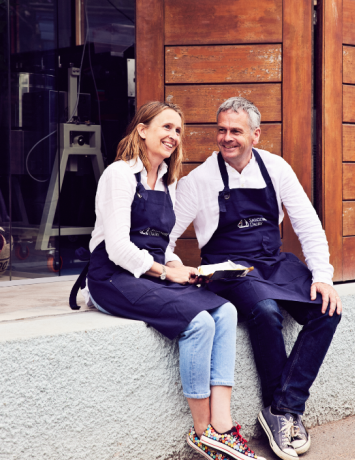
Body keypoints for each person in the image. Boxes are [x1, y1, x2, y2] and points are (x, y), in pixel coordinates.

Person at [72, 101, 265, 460]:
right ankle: (204, 432)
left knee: (223, 310)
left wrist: (182, 267)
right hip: (111, 277)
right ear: (142, 130)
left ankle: (222, 427)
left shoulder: (167, 179)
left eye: (178, 130)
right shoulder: (119, 174)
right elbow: (116, 247)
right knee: (198, 322)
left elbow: (166, 244)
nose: (173, 136)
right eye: (165, 127)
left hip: (151, 272)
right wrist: (166, 272)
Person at [169, 97, 342, 460]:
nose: (226, 137)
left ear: (256, 135)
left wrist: (323, 275)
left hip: (271, 262)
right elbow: (164, 236)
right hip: (227, 270)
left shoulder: (276, 168)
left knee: (327, 309)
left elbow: (307, 224)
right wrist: (171, 267)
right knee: (264, 310)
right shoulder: (200, 180)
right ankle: (283, 414)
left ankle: (281, 408)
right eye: (221, 130)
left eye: (235, 130)